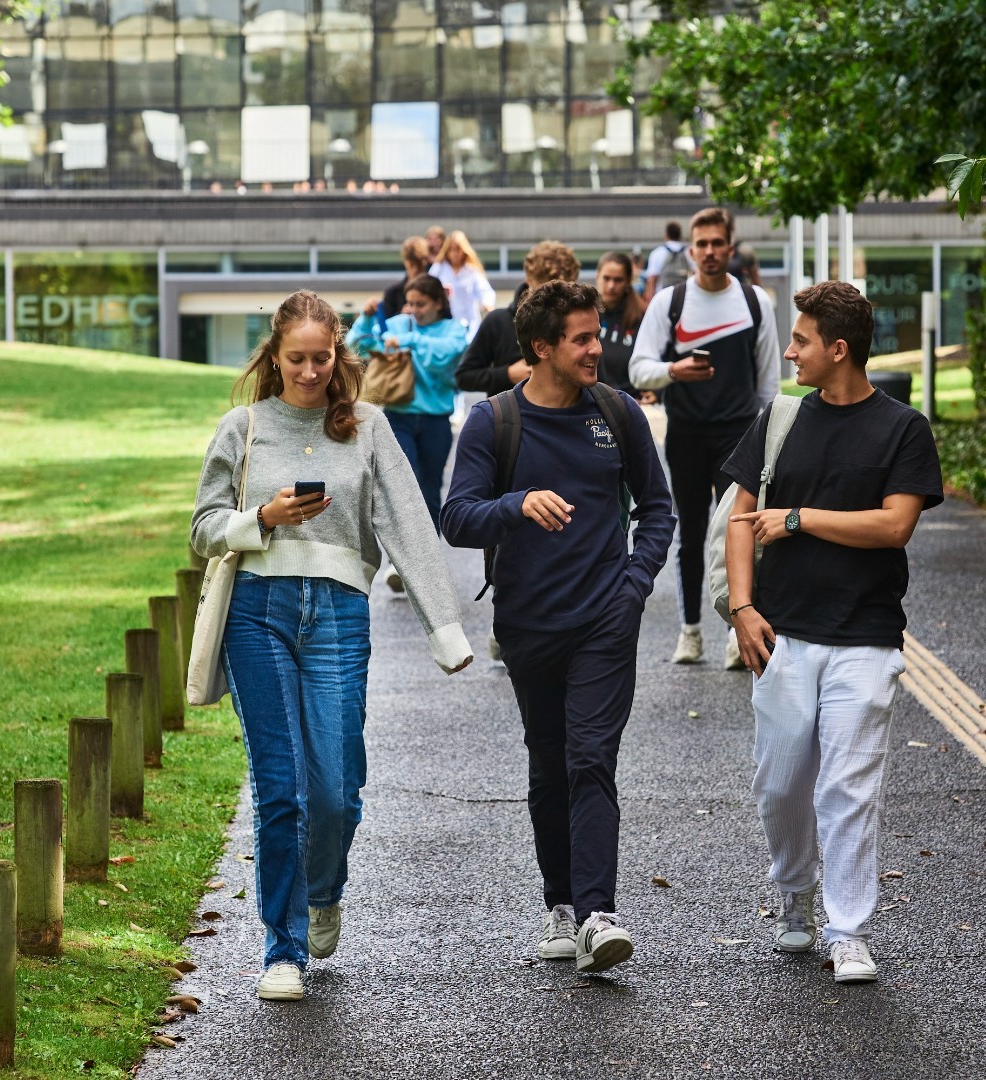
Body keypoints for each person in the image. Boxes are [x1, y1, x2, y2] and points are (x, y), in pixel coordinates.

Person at [191, 290, 473, 1002]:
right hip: (257, 612)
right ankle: (280, 949)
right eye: (297, 359)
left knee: (337, 791)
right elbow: (202, 528)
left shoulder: (368, 426)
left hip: (341, 614)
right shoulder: (243, 425)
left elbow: (410, 524)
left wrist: (445, 630)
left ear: (338, 355)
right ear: (274, 356)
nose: (311, 372)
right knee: (281, 789)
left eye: (322, 358)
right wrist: (262, 515)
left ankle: (324, 892)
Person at [441, 281, 676, 975]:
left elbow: (658, 511)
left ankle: (600, 913)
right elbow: (456, 518)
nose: (595, 349)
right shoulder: (494, 422)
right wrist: (515, 505)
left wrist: (633, 588)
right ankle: (563, 906)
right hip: (528, 624)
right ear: (542, 348)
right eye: (580, 339)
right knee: (548, 763)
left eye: (596, 335)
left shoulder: (618, 413)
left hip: (606, 619)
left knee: (590, 758)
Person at [722, 280, 943, 983]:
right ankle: (795, 895)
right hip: (783, 633)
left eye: (802, 341)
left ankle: (849, 929)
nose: (790, 352)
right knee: (782, 783)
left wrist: (801, 517)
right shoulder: (783, 418)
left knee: (848, 786)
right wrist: (742, 606)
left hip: (867, 636)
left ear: (838, 349)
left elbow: (894, 524)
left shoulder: (902, 428)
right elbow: (739, 514)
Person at [629, 206, 780, 668]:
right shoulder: (669, 303)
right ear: (691, 250)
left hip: (740, 435)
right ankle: (690, 631)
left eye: (718, 244)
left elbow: (769, 384)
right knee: (692, 534)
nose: (710, 252)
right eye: (703, 245)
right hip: (687, 435)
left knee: (738, 533)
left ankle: (739, 632)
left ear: (730, 249)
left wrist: (769, 440)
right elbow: (640, 369)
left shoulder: (756, 302)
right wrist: (674, 370)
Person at [345, 274, 468, 591]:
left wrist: (410, 342)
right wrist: (367, 318)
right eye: (409, 303)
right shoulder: (397, 324)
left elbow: (447, 357)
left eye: (420, 304)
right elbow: (355, 347)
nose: (413, 310)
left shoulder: (451, 331)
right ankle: (399, 562)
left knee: (429, 489)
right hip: (398, 418)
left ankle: (425, 562)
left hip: (435, 420)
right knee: (402, 485)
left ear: (438, 303)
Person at [455, 240, 580, 396]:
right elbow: (464, 377)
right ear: (528, 281)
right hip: (508, 417)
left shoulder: (579, 323)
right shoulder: (498, 321)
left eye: (561, 292)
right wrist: (507, 374)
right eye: (544, 290)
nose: (551, 300)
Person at [593, 251, 652, 401]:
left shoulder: (643, 318)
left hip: (632, 403)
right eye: (606, 278)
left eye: (618, 280)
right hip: (591, 401)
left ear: (627, 282)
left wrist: (657, 391)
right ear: (597, 277)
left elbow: (656, 360)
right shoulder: (585, 315)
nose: (611, 286)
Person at [429, 230, 496, 342]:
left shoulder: (471, 271)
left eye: (458, 249)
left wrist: (487, 304)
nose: (455, 254)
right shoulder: (439, 268)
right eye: (452, 250)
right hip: (445, 321)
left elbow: (485, 291)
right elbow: (427, 286)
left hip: (469, 323)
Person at [381, 235, 430, 320]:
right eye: (411, 265)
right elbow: (386, 327)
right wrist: (401, 316)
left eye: (418, 266)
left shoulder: (436, 290)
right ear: (405, 262)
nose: (415, 270)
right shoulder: (392, 292)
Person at [642, 221, 693, 300]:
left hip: (662, 297)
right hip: (684, 297)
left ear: (666, 235)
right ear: (680, 235)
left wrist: (649, 300)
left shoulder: (657, 253)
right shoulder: (688, 252)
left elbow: (652, 279)